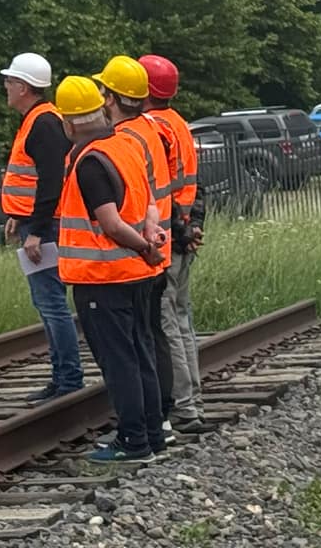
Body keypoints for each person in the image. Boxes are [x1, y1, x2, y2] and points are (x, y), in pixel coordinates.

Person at [53, 74, 168, 462]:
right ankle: (153, 436)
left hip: (104, 279)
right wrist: (151, 237)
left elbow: (111, 222)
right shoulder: (126, 144)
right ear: (101, 110)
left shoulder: (89, 163)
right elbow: (150, 201)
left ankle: (133, 440)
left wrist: (143, 248)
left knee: (119, 361)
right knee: (141, 353)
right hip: (135, 276)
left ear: (67, 123)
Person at [96, 54, 174, 438]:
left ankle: (148, 423)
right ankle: (160, 419)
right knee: (150, 335)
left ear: (110, 98)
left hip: (135, 254)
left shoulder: (122, 141)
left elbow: (122, 210)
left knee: (139, 343)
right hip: (155, 243)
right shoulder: (152, 129)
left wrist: (145, 243)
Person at [0, 51, 83, 402]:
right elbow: (35, 180)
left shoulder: (43, 124)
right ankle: (62, 377)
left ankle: (68, 379)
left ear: (23, 86)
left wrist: (35, 229)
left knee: (51, 304)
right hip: (35, 222)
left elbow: (52, 181)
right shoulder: (38, 120)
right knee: (47, 302)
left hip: (45, 228)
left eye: (9, 81)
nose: (5, 87)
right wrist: (19, 215)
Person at [140, 53, 206, 435]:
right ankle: (191, 399)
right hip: (182, 231)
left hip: (166, 235)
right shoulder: (178, 123)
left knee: (167, 324)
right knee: (181, 319)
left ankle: (183, 406)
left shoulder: (153, 129)